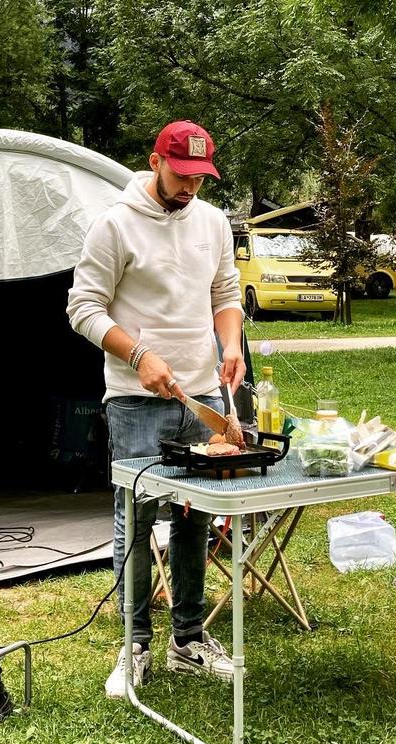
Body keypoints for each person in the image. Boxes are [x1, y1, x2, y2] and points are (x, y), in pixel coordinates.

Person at [67, 120, 246, 699]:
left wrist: (232, 345)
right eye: (182, 173)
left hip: (203, 396)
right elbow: (83, 309)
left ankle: (188, 641)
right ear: (155, 161)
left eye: (201, 176)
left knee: (196, 518)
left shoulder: (213, 222)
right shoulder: (114, 224)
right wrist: (138, 354)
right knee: (138, 523)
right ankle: (135, 644)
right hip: (136, 399)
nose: (192, 185)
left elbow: (225, 294)